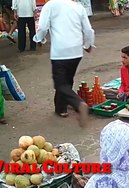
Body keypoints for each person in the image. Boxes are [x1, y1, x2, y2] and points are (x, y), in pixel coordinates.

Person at [33, 0, 93, 128]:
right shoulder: (78, 7)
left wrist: (39, 38)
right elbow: (88, 29)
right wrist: (88, 44)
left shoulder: (50, 5)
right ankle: (61, 108)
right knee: (67, 80)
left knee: (60, 84)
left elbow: (43, 27)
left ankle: (78, 104)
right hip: (76, 52)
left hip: (60, 52)